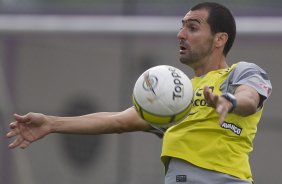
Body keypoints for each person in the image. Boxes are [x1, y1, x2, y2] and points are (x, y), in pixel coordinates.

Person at [6, 2, 272, 184]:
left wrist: (229, 101)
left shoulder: (239, 73)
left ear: (219, 39)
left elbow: (249, 98)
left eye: (192, 27)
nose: (181, 34)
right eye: (181, 26)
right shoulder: (175, 95)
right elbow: (118, 120)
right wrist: (51, 123)